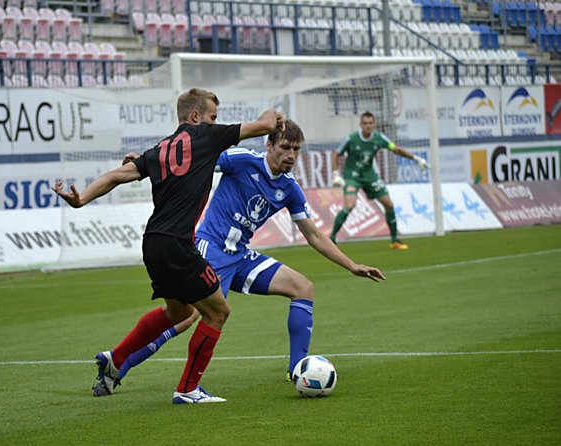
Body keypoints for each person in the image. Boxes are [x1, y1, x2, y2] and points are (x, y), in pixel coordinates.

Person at [105, 119, 385, 385]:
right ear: (269, 145)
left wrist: (351, 265)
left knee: (303, 288)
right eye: (285, 148)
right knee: (188, 315)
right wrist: (146, 161)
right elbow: (189, 157)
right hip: (209, 248)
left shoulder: (289, 188)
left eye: (296, 150)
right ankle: (120, 366)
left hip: (239, 256)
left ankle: (297, 371)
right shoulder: (241, 160)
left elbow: (312, 234)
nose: (290, 155)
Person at [53, 88, 284, 404]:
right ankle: (188, 390)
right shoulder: (207, 136)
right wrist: (274, 112)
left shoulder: (160, 149)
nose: (216, 123)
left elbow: (118, 174)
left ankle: (116, 359)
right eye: (212, 117)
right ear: (195, 116)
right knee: (218, 311)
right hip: (177, 244)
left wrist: (82, 200)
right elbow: (264, 125)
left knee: (178, 312)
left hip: (153, 244)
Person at [329, 111, 428, 250]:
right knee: (350, 205)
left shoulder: (379, 138)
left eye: (370, 123)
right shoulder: (351, 139)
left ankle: (395, 241)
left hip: (370, 176)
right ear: (360, 125)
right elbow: (335, 153)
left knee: (389, 204)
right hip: (352, 176)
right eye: (365, 123)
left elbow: (395, 149)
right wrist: (335, 174)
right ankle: (331, 238)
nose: (368, 126)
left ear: (374, 124)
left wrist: (416, 159)